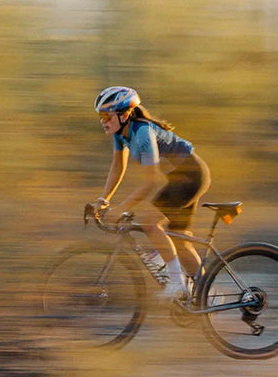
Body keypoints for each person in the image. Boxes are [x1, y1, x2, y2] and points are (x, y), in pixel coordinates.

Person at [87, 86, 211, 302]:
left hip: (191, 175)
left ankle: (177, 284)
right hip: (181, 178)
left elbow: (152, 180)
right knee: (180, 241)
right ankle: (207, 297)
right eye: (101, 116)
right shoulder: (120, 133)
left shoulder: (143, 133)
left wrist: (121, 209)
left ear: (125, 114)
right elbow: (118, 167)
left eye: (107, 115)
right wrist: (104, 200)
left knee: (149, 221)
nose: (103, 120)